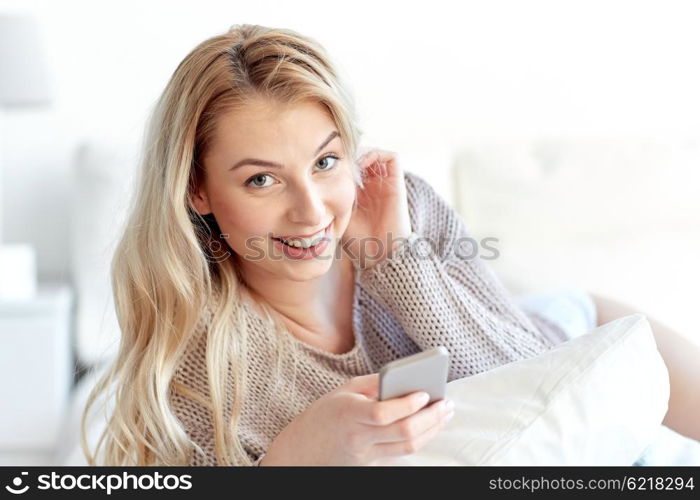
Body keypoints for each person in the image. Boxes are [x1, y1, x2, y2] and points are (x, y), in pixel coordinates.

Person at [81, 24, 699, 466]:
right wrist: (291, 462)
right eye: (261, 179)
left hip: (568, 325)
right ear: (198, 191)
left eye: (325, 161)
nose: (312, 209)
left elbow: (533, 386)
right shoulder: (199, 366)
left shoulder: (400, 205)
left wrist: (397, 264)